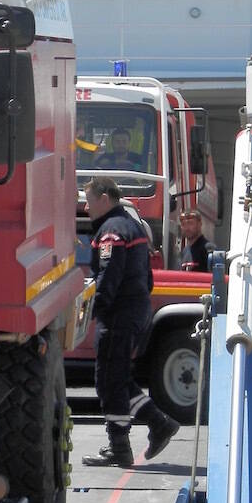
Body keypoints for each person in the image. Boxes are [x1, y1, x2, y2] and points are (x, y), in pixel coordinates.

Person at [81, 175, 180, 467]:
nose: (86, 209)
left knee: (109, 380)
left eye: (88, 202)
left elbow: (108, 275)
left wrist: (94, 309)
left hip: (119, 316)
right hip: (134, 311)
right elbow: (146, 277)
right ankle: (139, 434)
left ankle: (130, 439)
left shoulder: (111, 232)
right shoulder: (132, 226)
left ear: (103, 199)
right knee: (117, 379)